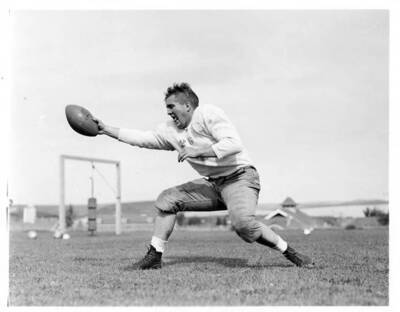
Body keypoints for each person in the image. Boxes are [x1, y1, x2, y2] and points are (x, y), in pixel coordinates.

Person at [94, 83, 313, 270]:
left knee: (244, 225)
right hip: (214, 185)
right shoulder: (171, 130)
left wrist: (200, 151)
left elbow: (234, 143)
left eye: (172, 106)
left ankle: (290, 252)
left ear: (187, 106)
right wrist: (106, 129)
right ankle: (155, 256)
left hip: (240, 178)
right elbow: (142, 138)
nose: (168, 112)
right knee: (167, 200)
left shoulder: (207, 114)